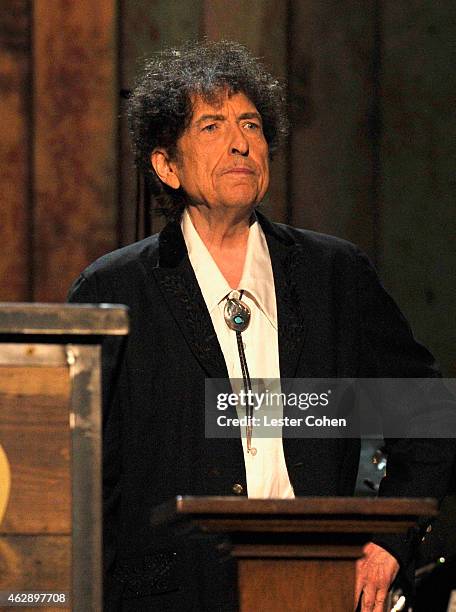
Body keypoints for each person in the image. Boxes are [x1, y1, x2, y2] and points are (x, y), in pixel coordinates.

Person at [68, 40, 454, 611]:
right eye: (212, 126)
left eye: (250, 123)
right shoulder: (115, 290)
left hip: (316, 588)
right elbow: (81, 480)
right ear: (165, 165)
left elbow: (429, 415)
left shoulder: (333, 276)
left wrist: (390, 543)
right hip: (170, 596)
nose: (241, 142)